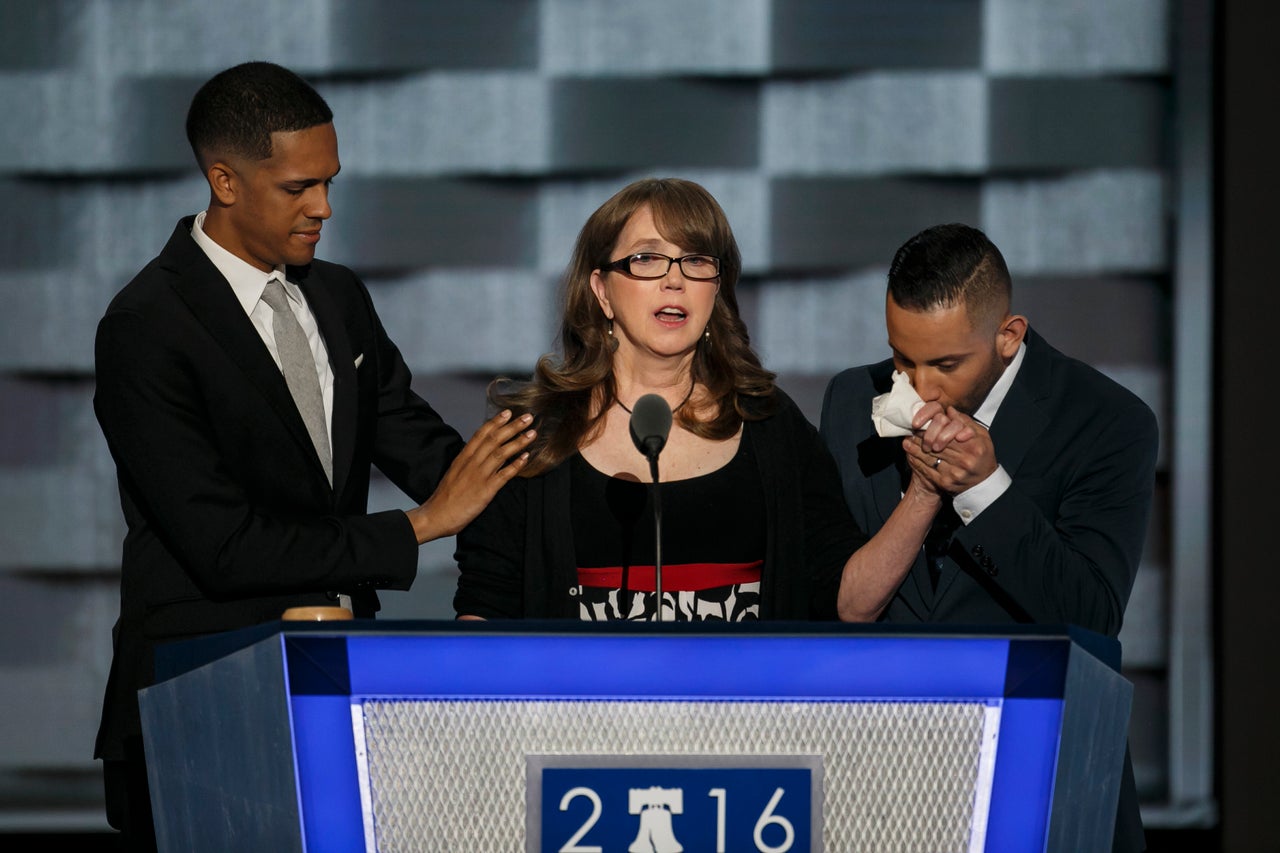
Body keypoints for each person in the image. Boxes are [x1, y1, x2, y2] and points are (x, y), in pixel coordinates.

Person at [92, 61, 534, 848]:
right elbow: (224, 546)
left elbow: (429, 451)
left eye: (329, 182)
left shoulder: (337, 297)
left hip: (337, 695)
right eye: (299, 187)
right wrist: (421, 528)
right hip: (197, 708)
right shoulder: (146, 325)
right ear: (224, 180)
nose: (324, 207)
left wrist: (558, 469)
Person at [453, 177, 938, 622]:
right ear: (601, 291)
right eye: (646, 258)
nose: (675, 279)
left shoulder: (770, 422)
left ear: (717, 289)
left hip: (743, 713)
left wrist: (925, 491)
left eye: (698, 260)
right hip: (579, 713)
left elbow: (849, 603)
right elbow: (483, 614)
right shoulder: (532, 435)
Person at [818, 222, 1157, 851]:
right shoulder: (848, 401)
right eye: (902, 358)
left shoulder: (1107, 421)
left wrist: (985, 489)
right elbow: (840, 606)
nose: (920, 386)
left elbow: (1089, 617)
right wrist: (922, 492)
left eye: (946, 363)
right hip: (887, 783)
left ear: (1008, 335)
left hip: (1043, 769)